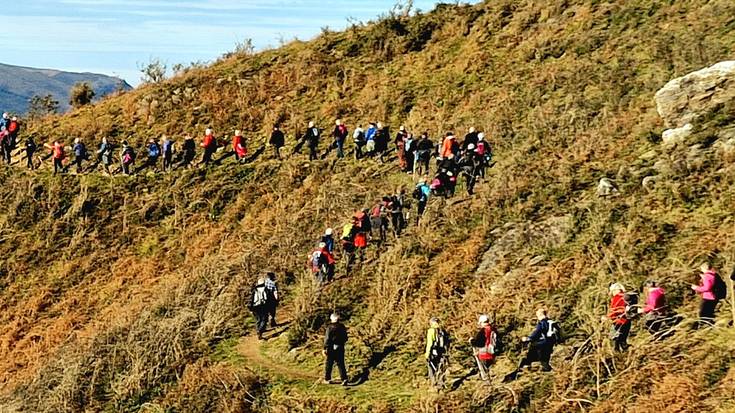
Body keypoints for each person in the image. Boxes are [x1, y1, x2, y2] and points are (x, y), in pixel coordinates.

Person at [517, 309, 557, 373]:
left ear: (540, 315)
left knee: (533, 346)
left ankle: (528, 364)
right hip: (552, 342)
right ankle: (545, 367)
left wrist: (528, 338)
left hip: (544, 342)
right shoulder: (552, 322)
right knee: (545, 357)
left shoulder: (542, 323)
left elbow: (537, 333)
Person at [692, 263, 721, 328]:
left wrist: (696, 288)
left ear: (704, 268)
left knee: (702, 313)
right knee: (709, 312)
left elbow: (707, 288)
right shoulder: (714, 274)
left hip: (708, 297)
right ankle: (711, 326)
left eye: (701, 268)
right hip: (714, 297)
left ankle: (705, 326)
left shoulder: (707, 276)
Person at [323, 313, 349, 386]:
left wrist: (324, 348)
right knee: (341, 363)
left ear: (331, 319)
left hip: (331, 347)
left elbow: (327, 339)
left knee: (329, 363)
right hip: (340, 347)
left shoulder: (329, 327)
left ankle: (327, 379)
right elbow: (346, 338)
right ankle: (344, 379)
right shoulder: (342, 327)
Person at [604, 283, 630, 352]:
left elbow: (614, 310)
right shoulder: (626, 296)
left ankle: (617, 354)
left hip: (618, 321)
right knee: (623, 339)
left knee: (614, 338)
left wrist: (607, 317)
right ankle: (627, 354)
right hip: (627, 321)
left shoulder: (617, 298)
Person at [471, 314, 497, 381]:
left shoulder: (483, 331)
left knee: (484, 372)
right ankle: (492, 381)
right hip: (491, 353)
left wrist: (472, 341)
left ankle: (487, 385)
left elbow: (479, 343)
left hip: (483, 354)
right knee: (489, 369)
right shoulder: (493, 329)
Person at [425, 317, 450, 388]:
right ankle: (441, 383)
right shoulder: (442, 331)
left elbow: (429, 343)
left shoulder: (431, 331)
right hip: (441, 352)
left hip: (433, 352)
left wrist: (427, 354)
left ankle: (433, 383)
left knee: (431, 367)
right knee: (440, 367)